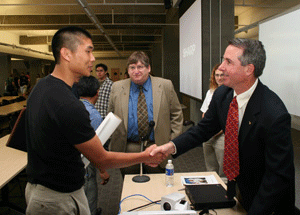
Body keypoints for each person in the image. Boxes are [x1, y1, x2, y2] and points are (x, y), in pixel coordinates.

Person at [25, 26, 164, 215]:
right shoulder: (68, 104)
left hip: (39, 189)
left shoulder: (41, 87)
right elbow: (102, 159)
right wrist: (146, 156)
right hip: (57, 199)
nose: (92, 58)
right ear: (66, 54)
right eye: (88, 51)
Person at [150, 38, 295, 214]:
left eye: (228, 62)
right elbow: (203, 130)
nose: (221, 68)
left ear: (249, 69)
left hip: (268, 203)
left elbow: (277, 177)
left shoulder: (274, 113)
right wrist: (171, 146)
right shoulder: (223, 95)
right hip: (239, 193)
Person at [108, 51, 183, 176]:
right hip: (129, 148)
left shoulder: (165, 85)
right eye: (132, 67)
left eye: (140, 67)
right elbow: (110, 116)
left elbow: (176, 114)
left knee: (157, 186)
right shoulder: (117, 87)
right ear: (128, 70)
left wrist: (171, 143)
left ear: (148, 68)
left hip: (157, 147)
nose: (136, 71)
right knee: (131, 186)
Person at [77, 76, 106, 215]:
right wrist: (103, 171)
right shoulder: (94, 115)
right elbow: (96, 150)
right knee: (89, 201)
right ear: (97, 92)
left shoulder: (73, 107)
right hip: (86, 166)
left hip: (72, 165)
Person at [200, 63, 225, 178]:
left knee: (223, 170)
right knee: (210, 168)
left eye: (222, 75)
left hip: (222, 135)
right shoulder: (210, 92)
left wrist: (216, 131)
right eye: (217, 75)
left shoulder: (231, 92)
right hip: (208, 134)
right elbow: (205, 113)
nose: (219, 78)